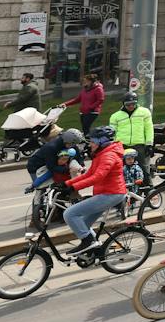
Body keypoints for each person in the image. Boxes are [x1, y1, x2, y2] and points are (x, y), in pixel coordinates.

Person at [59, 126, 127, 255]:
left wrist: (73, 188)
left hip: (111, 194)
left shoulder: (109, 155)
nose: (90, 144)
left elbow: (97, 177)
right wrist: (65, 184)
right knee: (83, 223)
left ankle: (89, 243)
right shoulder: (101, 154)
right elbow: (88, 174)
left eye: (92, 141)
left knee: (69, 214)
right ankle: (96, 250)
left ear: (102, 142)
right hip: (106, 193)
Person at [109, 93, 154, 176]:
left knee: (143, 168)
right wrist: (113, 146)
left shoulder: (144, 112)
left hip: (139, 144)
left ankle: (148, 187)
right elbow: (112, 133)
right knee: (120, 169)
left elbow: (149, 128)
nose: (131, 106)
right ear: (123, 104)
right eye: (128, 104)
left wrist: (149, 144)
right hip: (122, 145)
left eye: (133, 103)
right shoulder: (115, 116)